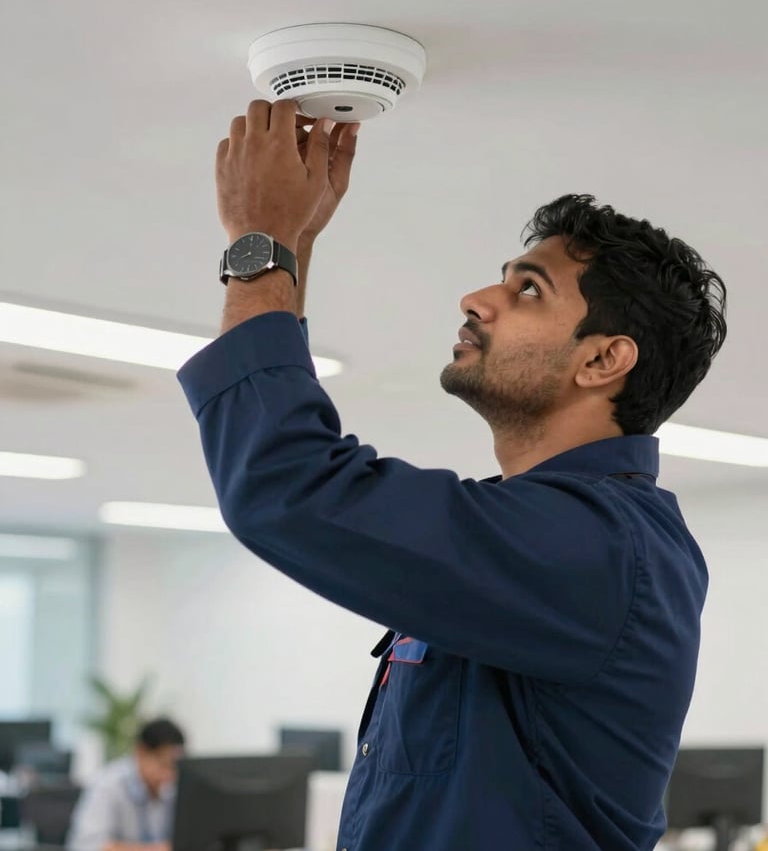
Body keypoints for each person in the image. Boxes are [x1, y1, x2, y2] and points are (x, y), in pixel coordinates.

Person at [177, 100, 727, 850]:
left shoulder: (597, 549)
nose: (478, 298)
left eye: (529, 289)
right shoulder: (541, 537)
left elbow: (288, 486)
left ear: (603, 359)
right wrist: (297, 240)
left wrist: (260, 243)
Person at [67, 718, 185, 851]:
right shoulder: (108, 784)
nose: (169, 775)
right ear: (141, 752)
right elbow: (89, 846)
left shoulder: (169, 791)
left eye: (175, 768)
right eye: (164, 765)